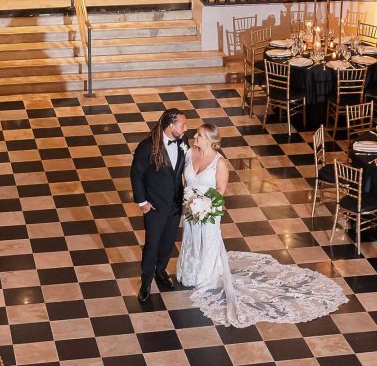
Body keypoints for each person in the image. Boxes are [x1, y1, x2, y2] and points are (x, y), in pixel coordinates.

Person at [177, 123, 348, 328]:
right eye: (197, 133)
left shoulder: (219, 163)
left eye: (199, 134)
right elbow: (185, 181)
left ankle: (206, 277)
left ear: (210, 140)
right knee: (190, 239)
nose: (195, 136)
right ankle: (189, 271)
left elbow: (220, 192)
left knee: (208, 243)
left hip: (209, 212)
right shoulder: (190, 154)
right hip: (190, 209)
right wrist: (189, 200)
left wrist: (203, 206)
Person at [130, 108, 188, 303]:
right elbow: (136, 175)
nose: (185, 128)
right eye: (183, 124)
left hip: (174, 205)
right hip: (154, 206)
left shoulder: (182, 143)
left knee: (168, 242)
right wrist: (143, 203)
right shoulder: (147, 147)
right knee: (152, 244)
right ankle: (146, 282)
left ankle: (160, 271)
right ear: (171, 126)